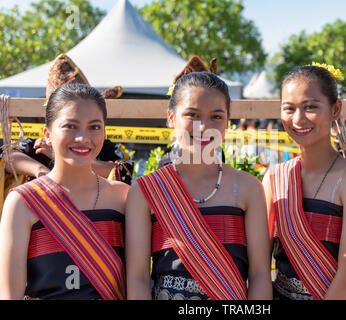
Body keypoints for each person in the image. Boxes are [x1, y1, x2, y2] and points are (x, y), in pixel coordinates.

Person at [126, 70, 272, 300]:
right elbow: (137, 277)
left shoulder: (248, 188)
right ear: (171, 118)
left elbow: (260, 275)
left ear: (227, 122)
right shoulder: (146, 192)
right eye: (192, 115)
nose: (204, 127)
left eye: (216, 116)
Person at [0, 83, 129, 299]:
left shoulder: (123, 197)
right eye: (70, 126)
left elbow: (138, 281)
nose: (83, 137)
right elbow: (9, 295)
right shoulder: (23, 202)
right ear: (47, 134)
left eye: (94, 127)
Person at [263, 63, 346, 300]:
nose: (299, 119)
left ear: (335, 110)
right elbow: (260, 267)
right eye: (289, 108)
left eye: (311, 107)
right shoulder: (275, 177)